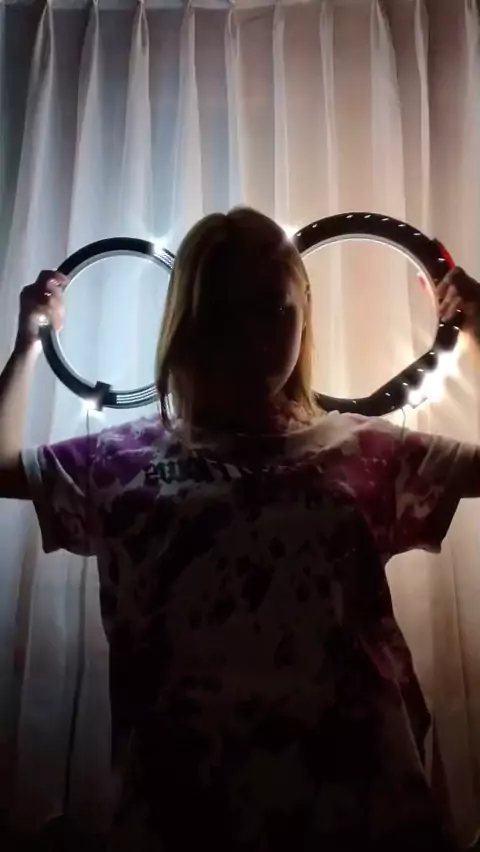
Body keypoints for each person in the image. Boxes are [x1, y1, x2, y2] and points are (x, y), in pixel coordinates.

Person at [1, 206, 480, 852]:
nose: (251, 337)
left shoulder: (365, 450)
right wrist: (28, 342)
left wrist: (477, 328)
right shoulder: (121, 460)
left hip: (366, 811)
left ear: (304, 315)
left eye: (272, 309)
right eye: (224, 312)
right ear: (189, 322)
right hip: (181, 817)